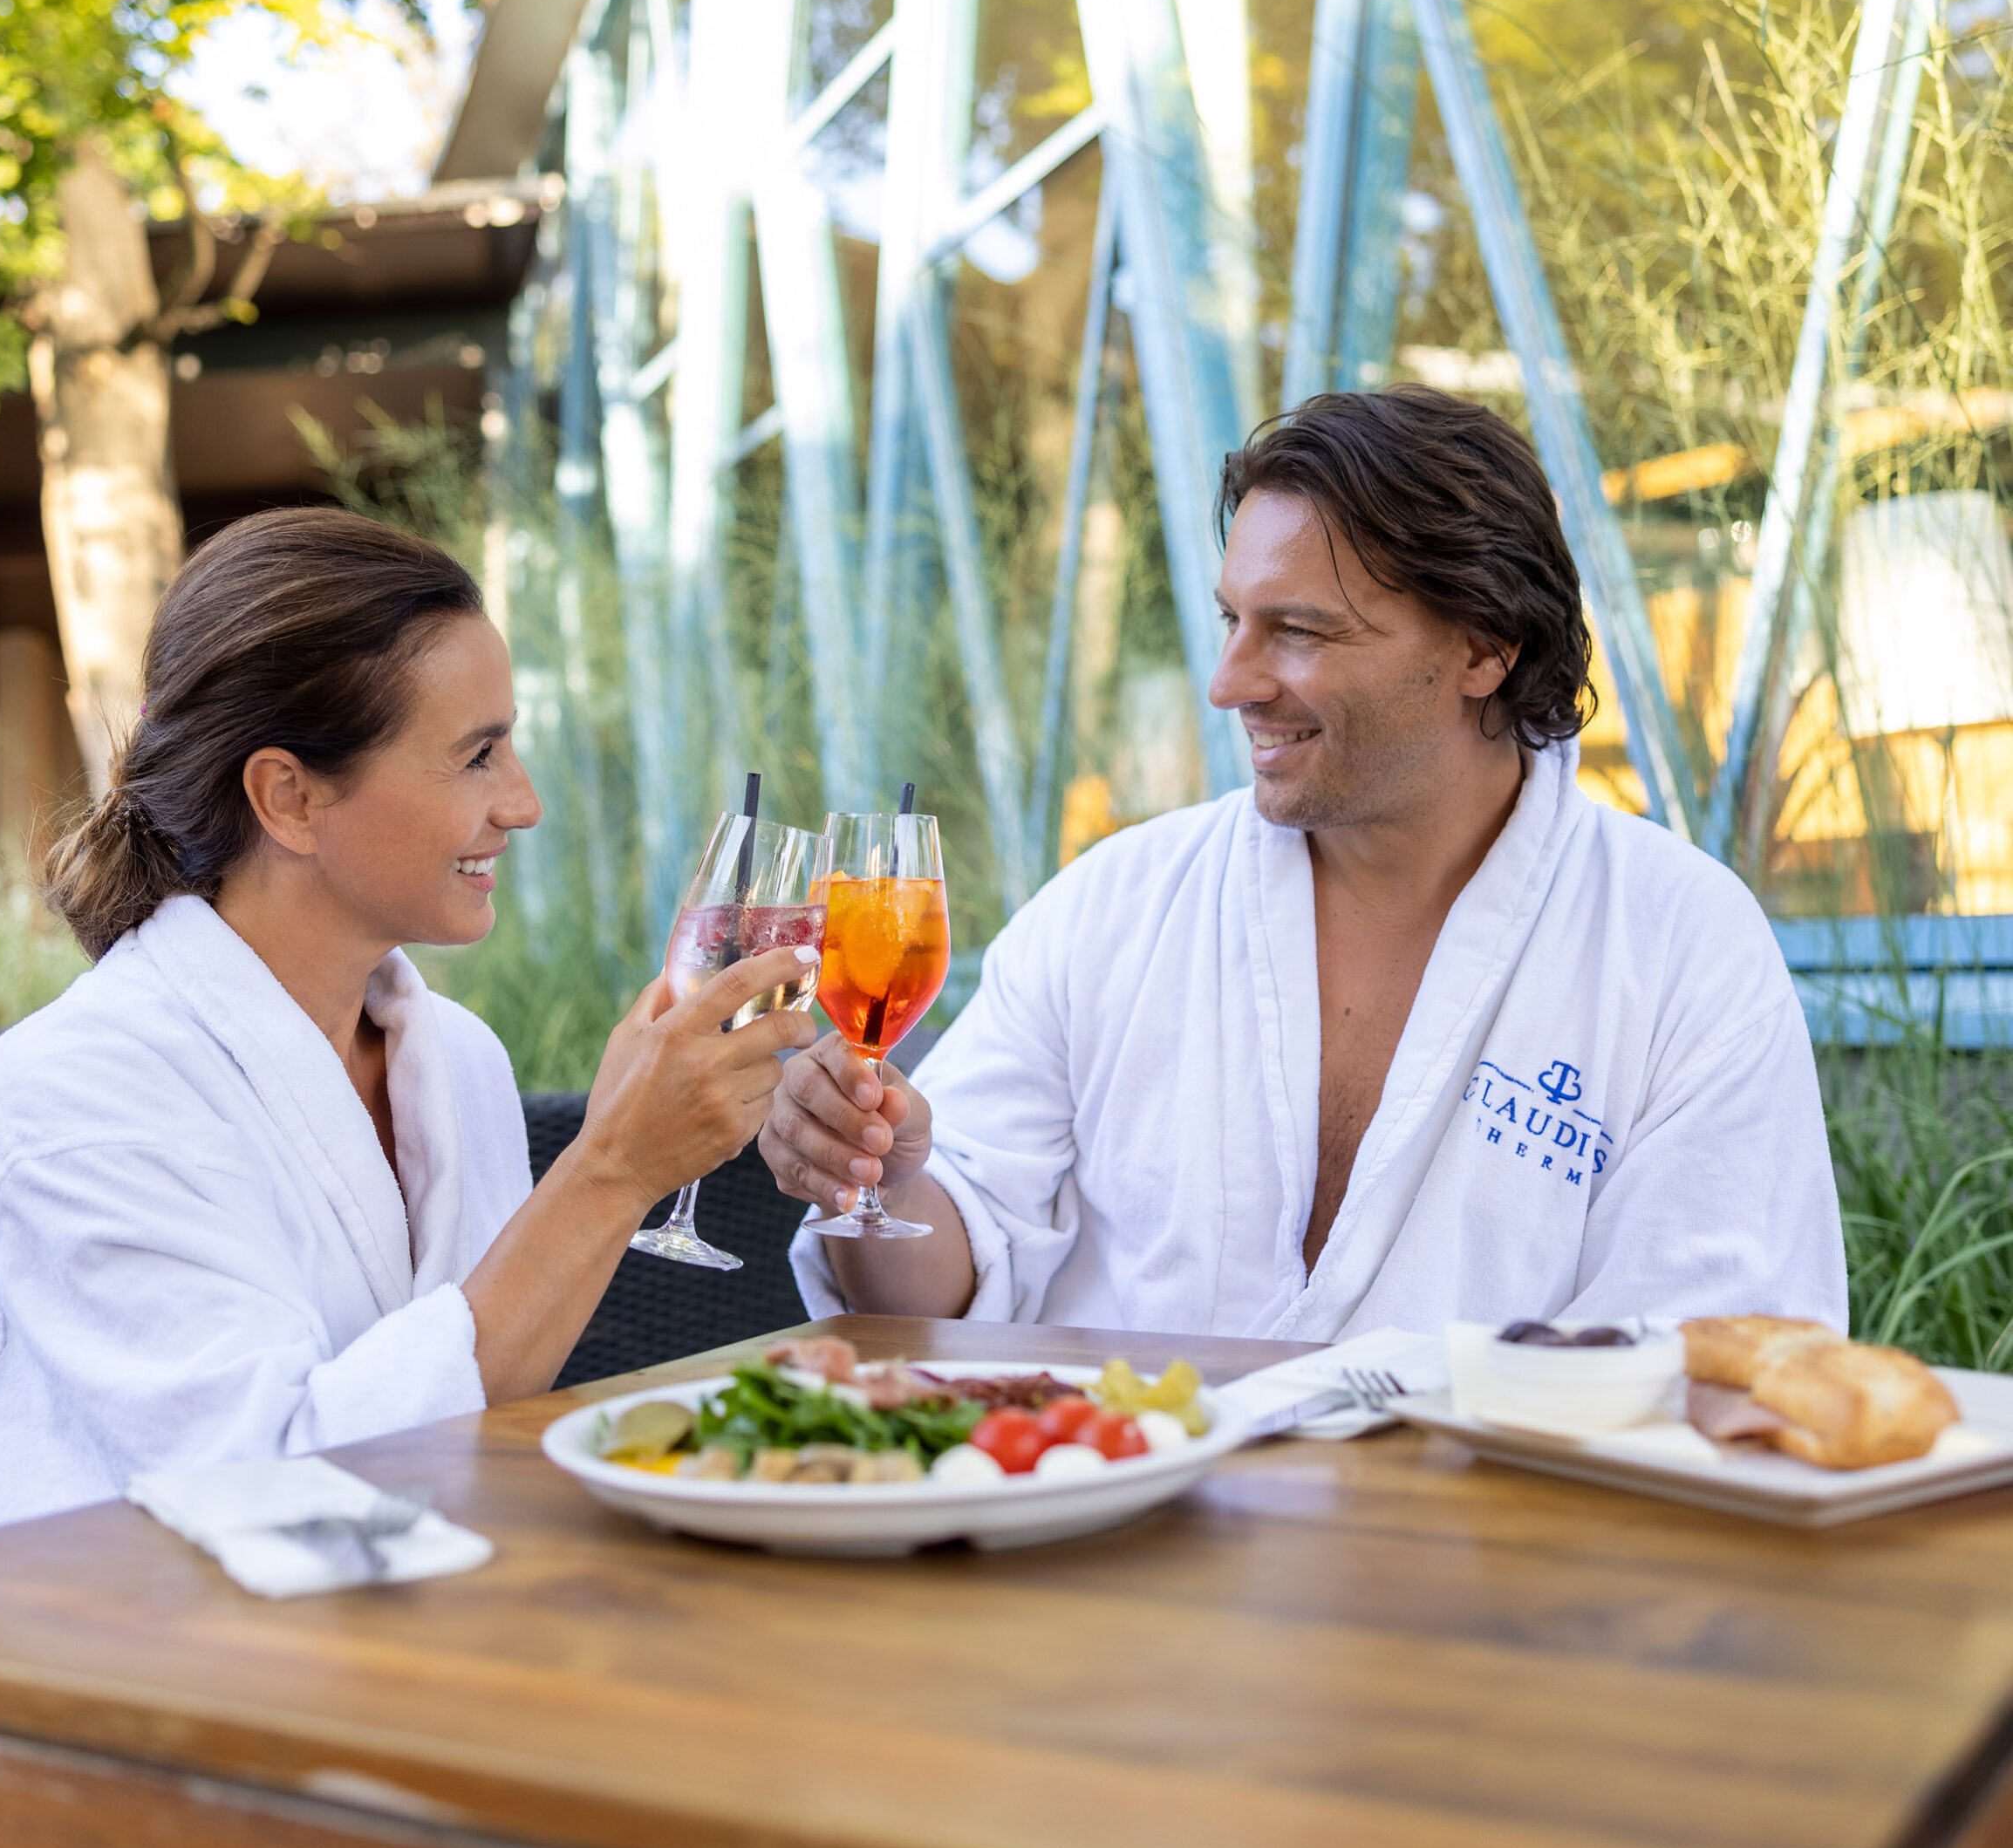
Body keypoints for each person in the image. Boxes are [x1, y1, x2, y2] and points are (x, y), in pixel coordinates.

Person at [763, 385, 1846, 1340]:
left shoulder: (1680, 945)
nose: (1228, 683)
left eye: (1298, 631)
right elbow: (929, 1291)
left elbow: (1719, 1346)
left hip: (1488, 1513)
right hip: (1116, 1497)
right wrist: (873, 1179)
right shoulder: (1114, 906)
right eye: (1232, 620)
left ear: (1484, 645)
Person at [0, 509, 815, 1542]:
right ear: (288, 796)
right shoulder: (81, 1095)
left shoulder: (457, 1058)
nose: (524, 804)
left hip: (401, 1592)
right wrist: (613, 1169)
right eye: (478, 755)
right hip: (90, 1620)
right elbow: (267, 1489)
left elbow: (482, 1415)